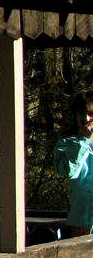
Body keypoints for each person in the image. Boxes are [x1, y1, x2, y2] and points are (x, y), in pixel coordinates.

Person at [53, 91, 93, 237]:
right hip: (82, 219)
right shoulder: (66, 143)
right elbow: (68, 171)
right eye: (82, 113)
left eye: (90, 113)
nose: (86, 118)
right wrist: (83, 141)